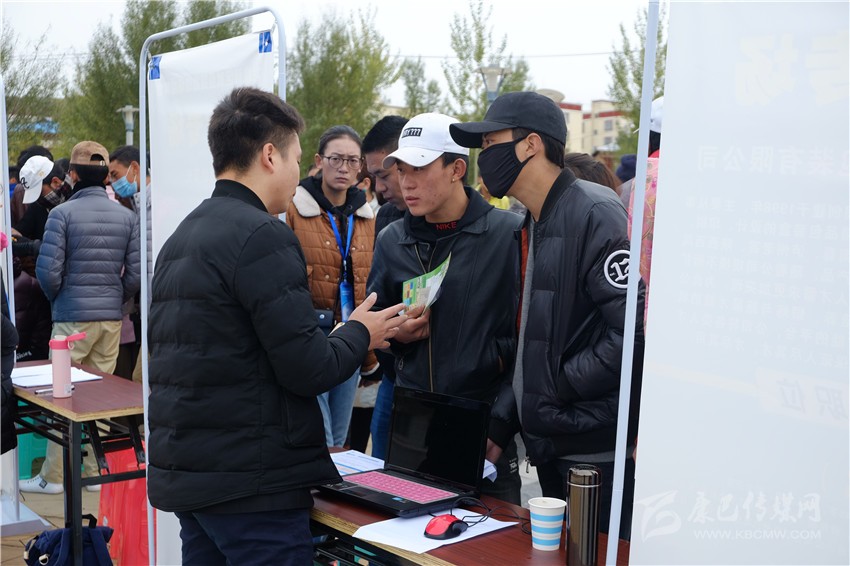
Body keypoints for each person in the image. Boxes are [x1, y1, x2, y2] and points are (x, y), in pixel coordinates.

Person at [147, 87, 404, 565]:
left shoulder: (185, 233)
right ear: (270, 155)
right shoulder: (263, 234)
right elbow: (308, 367)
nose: (298, 173)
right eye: (297, 159)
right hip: (252, 487)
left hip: (193, 473)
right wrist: (360, 332)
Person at [450, 91, 645, 539]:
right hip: (550, 440)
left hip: (591, 450)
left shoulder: (594, 212)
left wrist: (559, 385)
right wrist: (505, 421)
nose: (484, 157)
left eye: (491, 143)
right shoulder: (532, 221)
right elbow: (531, 339)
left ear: (530, 145)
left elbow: (630, 332)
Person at [368, 112, 523, 504]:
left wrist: (501, 423)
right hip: (412, 427)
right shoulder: (391, 240)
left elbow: (532, 342)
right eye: (401, 169)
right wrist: (397, 337)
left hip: (486, 427)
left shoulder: (509, 235)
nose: (406, 182)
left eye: (419, 168)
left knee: (494, 539)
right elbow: (374, 327)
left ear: (457, 169)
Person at [21, 141, 141, 495]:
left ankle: (55, 476)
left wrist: (61, 298)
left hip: (71, 317)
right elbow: (134, 274)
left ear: (72, 174)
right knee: (101, 395)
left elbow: (48, 272)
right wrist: (114, 298)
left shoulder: (62, 215)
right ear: (105, 176)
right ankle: (93, 472)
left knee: (62, 396)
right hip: (110, 319)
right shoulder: (126, 216)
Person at [285, 125, 378, 448]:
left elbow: (366, 281)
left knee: (339, 437)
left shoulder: (366, 216)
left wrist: (368, 351)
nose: (343, 168)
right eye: (335, 158)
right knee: (320, 436)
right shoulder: (295, 208)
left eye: (352, 161)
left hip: (350, 335)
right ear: (319, 161)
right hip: (311, 338)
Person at [361, 114, 408, 459]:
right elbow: (376, 295)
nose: (378, 188)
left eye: (383, 175)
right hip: (393, 374)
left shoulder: (489, 230)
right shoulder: (388, 218)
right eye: (373, 177)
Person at [109, 145, 153, 382]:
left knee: (140, 380)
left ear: (134, 168)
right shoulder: (138, 206)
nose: (113, 182)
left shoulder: (155, 205)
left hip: (159, 310)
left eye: (115, 174)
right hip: (150, 311)